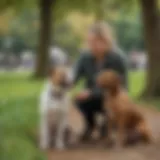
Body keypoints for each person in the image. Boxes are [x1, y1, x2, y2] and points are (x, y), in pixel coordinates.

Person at [73, 22, 128, 141]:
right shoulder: (84, 56)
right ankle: (90, 125)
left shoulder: (118, 58)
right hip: (92, 97)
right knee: (78, 99)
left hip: (113, 97)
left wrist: (92, 92)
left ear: (106, 41)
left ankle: (108, 125)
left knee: (114, 103)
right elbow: (74, 76)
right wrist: (65, 84)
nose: (92, 45)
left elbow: (124, 86)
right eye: (89, 42)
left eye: (95, 42)